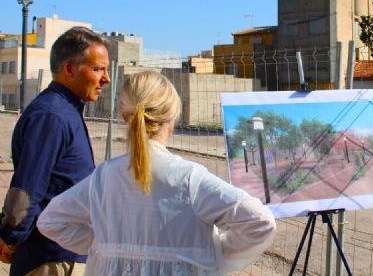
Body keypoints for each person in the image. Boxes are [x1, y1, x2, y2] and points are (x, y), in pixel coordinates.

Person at [37, 71, 277, 274]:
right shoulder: (189, 178)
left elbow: (51, 221)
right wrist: (214, 253)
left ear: (122, 116)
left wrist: (102, 244)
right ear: (172, 119)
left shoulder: (103, 177)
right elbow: (259, 221)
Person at [0, 26, 110, 275]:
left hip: (62, 253)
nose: (106, 78)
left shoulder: (66, 111)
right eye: (97, 69)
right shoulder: (52, 116)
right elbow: (27, 189)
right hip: (49, 259)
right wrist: (10, 238)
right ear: (69, 69)